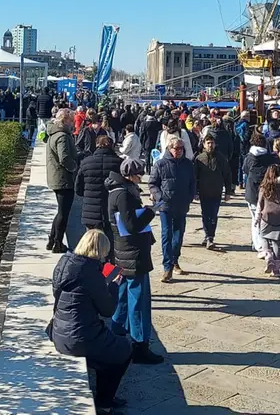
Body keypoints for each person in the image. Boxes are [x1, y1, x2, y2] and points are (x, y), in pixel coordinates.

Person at [48, 229, 134, 415]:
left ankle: (104, 397)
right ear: (100, 251)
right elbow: (107, 310)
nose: (104, 259)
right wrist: (112, 285)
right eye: (104, 254)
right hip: (80, 337)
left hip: (59, 330)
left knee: (107, 349)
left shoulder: (64, 262)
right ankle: (104, 402)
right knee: (124, 350)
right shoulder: (92, 274)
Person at [107, 158, 164, 365]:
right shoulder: (123, 194)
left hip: (122, 252)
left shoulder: (115, 191)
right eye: (139, 175)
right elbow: (131, 225)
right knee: (138, 299)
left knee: (123, 296)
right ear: (130, 176)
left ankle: (116, 337)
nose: (140, 179)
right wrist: (151, 211)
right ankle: (140, 346)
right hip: (132, 253)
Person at [146, 135, 195, 283]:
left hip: (182, 204)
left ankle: (175, 260)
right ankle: (167, 266)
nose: (179, 151)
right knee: (166, 235)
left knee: (178, 234)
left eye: (181, 148)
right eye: (176, 148)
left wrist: (190, 197)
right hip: (165, 205)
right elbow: (152, 183)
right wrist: (160, 197)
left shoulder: (188, 164)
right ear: (169, 148)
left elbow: (193, 182)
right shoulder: (160, 164)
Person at [45, 108, 79, 254]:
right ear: (65, 120)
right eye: (71, 120)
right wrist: (74, 167)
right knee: (64, 213)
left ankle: (52, 239)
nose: (73, 124)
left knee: (61, 211)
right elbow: (64, 157)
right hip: (63, 178)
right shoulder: (62, 136)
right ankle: (58, 243)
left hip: (58, 177)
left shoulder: (55, 133)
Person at [77, 135, 122, 236]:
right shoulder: (119, 163)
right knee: (111, 240)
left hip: (90, 209)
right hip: (112, 209)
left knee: (91, 243)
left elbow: (78, 189)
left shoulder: (86, 163)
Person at [243, 132, 278, 259]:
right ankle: (266, 243)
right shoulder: (270, 158)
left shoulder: (249, 157)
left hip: (252, 192)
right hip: (268, 192)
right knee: (266, 220)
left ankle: (258, 245)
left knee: (255, 219)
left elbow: (245, 170)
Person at [193, 133, 230, 250]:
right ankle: (207, 235)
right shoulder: (199, 159)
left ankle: (210, 237)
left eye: (212, 143)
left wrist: (228, 191)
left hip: (216, 191)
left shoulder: (220, 158)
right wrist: (195, 191)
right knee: (205, 214)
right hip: (204, 191)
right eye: (208, 143)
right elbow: (195, 177)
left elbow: (227, 175)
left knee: (213, 214)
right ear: (204, 144)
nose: (210, 145)